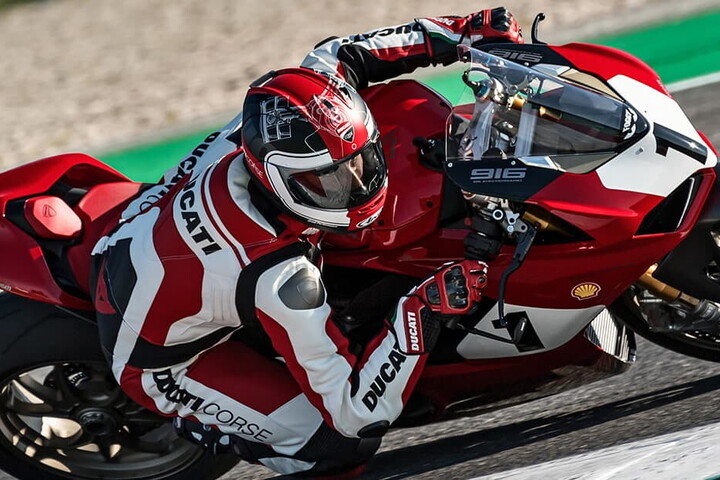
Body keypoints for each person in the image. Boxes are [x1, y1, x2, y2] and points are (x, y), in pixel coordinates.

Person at [90, 7, 521, 478]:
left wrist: (464, 33)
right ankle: (205, 429)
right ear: (276, 181)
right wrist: (421, 312)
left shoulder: (279, 120)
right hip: (161, 356)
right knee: (337, 450)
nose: (356, 184)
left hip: (148, 230)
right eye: (328, 181)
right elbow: (356, 414)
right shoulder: (279, 276)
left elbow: (340, 54)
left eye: (360, 161)